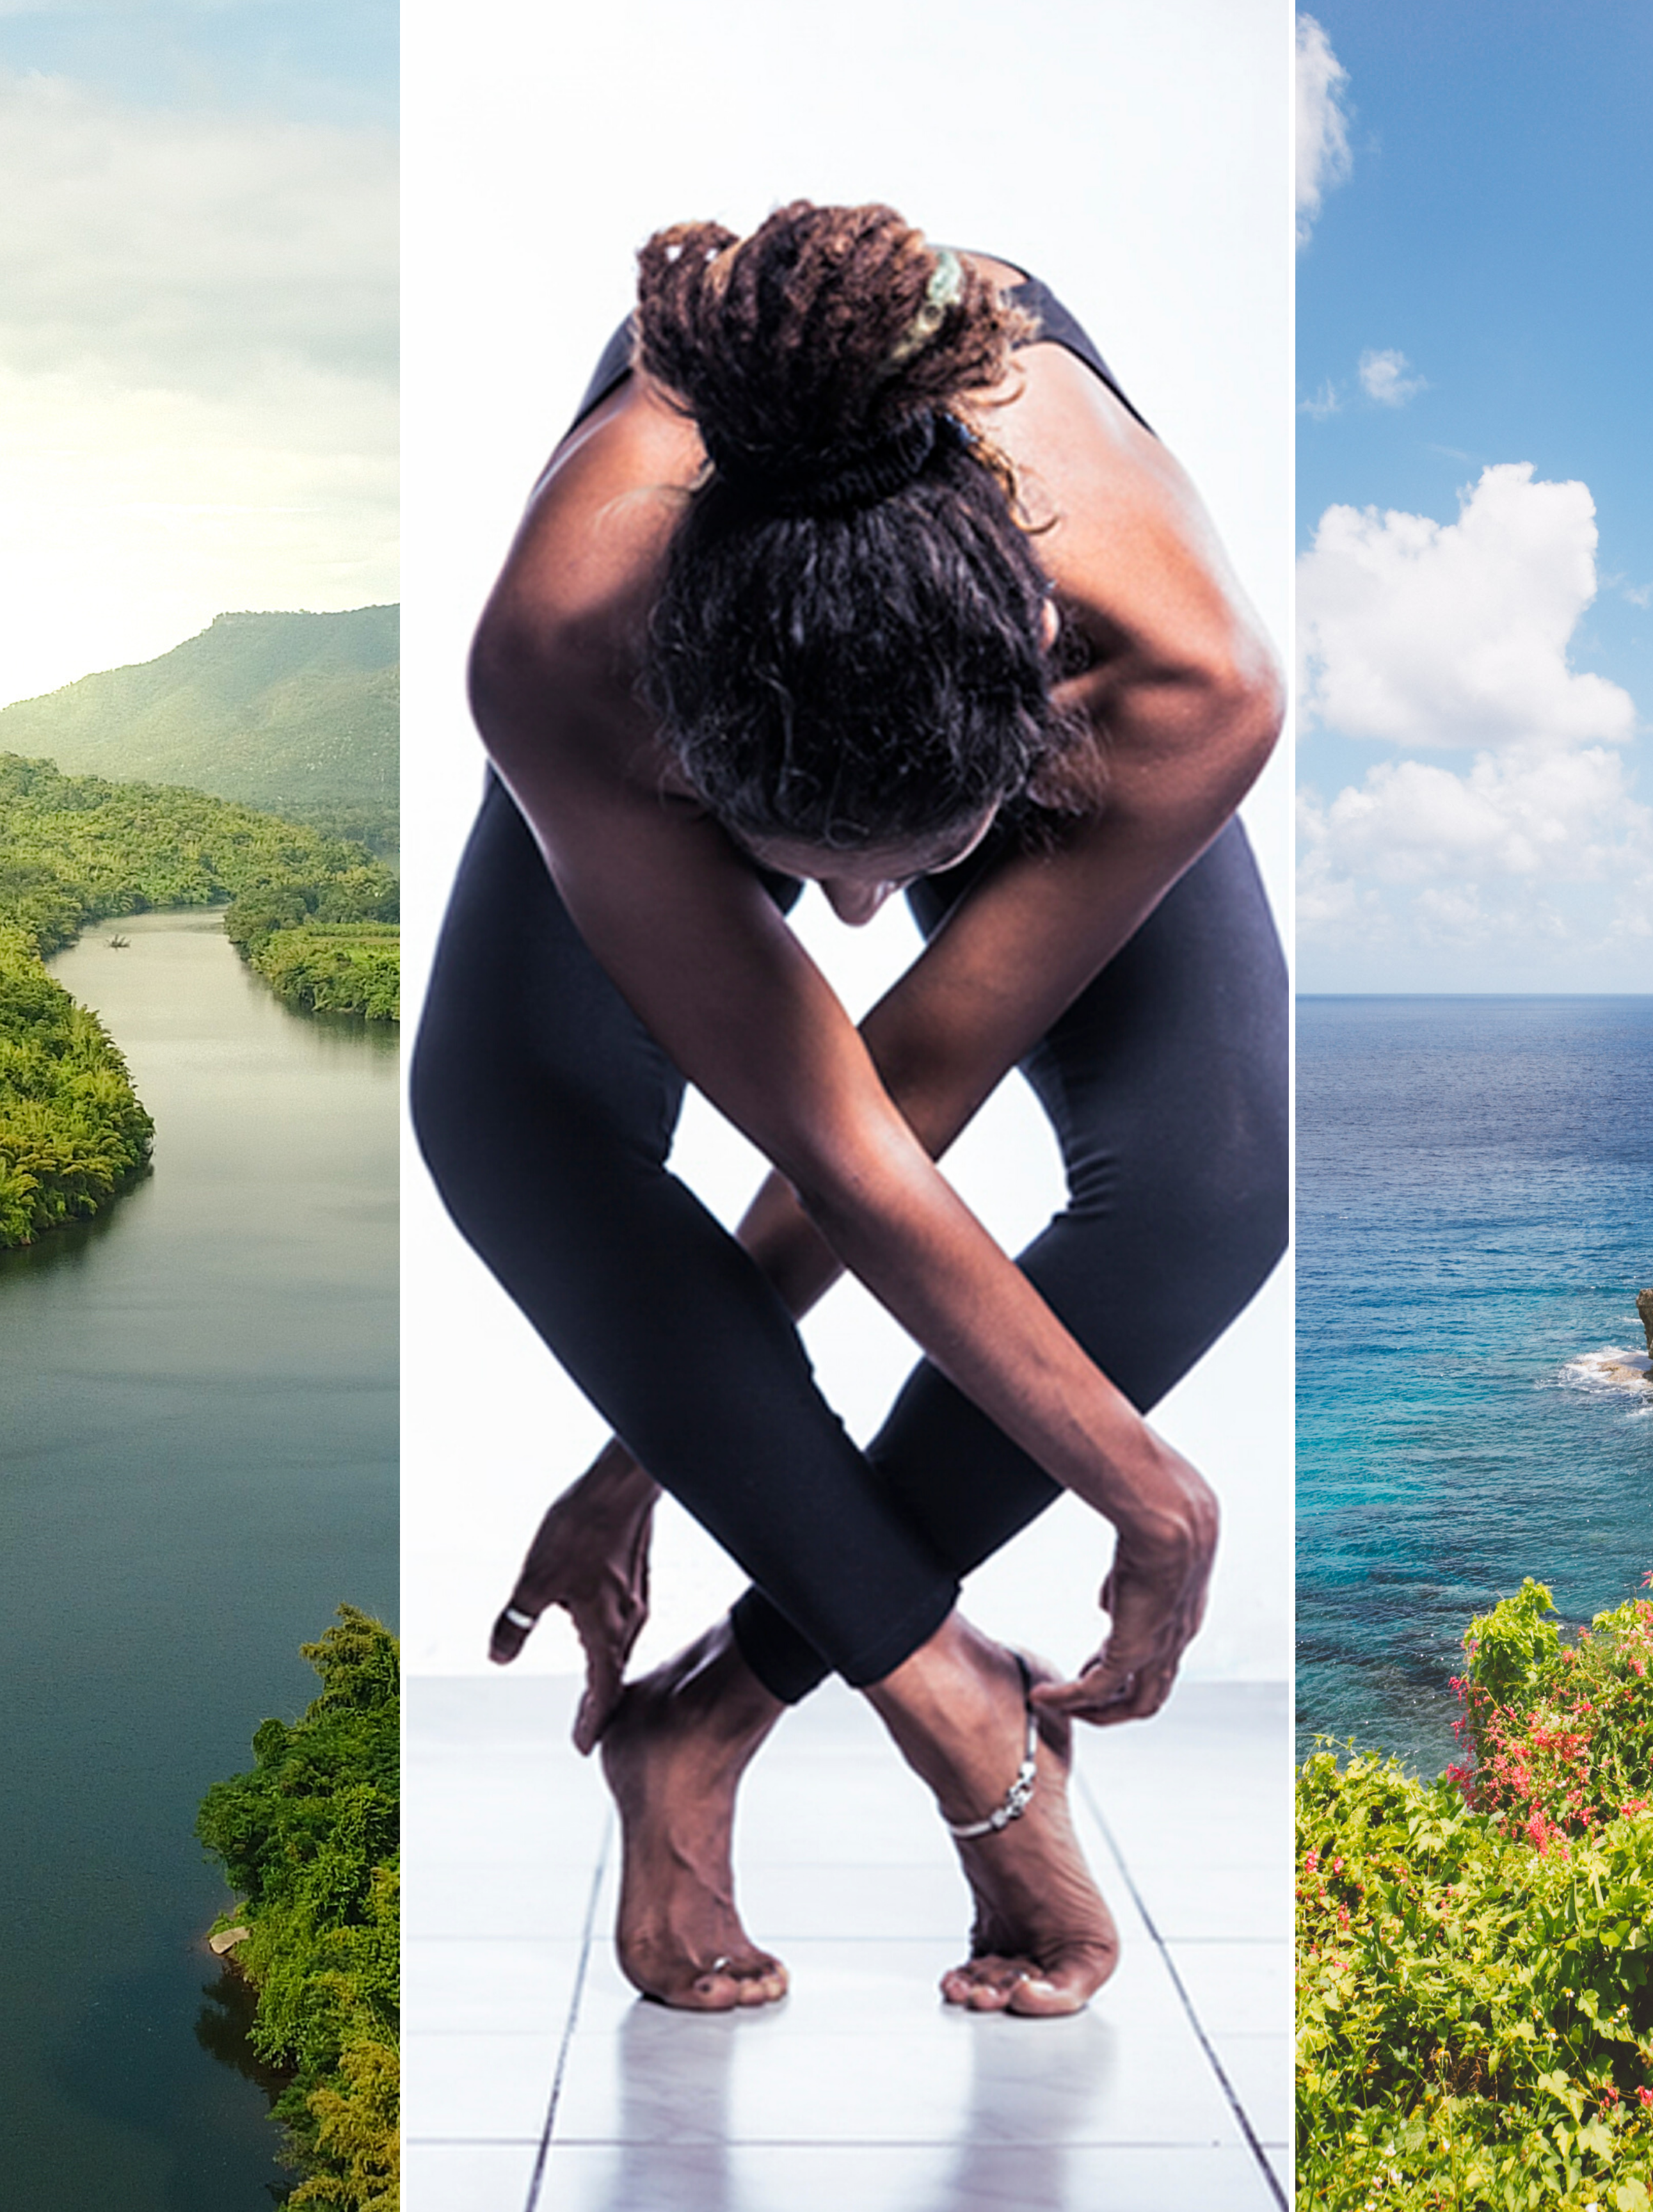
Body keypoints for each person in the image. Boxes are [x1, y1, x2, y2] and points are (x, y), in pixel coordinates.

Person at [415, 200, 1284, 2019]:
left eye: (926, 864)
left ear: (1043, 704)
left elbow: (902, 1107)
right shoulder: (568, 654)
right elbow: (838, 1140)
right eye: (813, 875)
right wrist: (1134, 1486)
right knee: (502, 1115)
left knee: (1217, 1181)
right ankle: (960, 1710)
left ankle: (718, 1713)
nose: (865, 918)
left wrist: (650, 1448)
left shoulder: (1180, 678)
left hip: (996, 636)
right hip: (685, 627)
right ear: (690, 759)